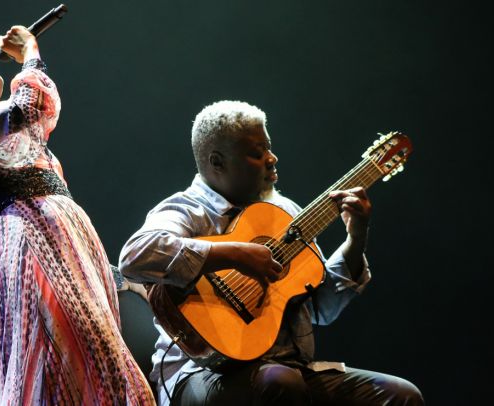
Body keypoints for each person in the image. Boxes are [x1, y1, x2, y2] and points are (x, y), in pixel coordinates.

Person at [0, 26, 155, 405]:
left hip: (56, 234)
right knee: (71, 351)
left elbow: (38, 116)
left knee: (87, 355)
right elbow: (30, 106)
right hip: (34, 237)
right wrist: (31, 52)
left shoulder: (1, 137)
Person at [119, 100, 424, 405]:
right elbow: (135, 255)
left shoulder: (286, 213)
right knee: (281, 383)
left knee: (401, 396)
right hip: (202, 375)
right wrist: (237, 254)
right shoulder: (187, 210)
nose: (271, 158)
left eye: (269, 148)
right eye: (256, 153)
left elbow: (321, 310)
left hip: (290, 370)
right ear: (217, 162)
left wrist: (356, 239)